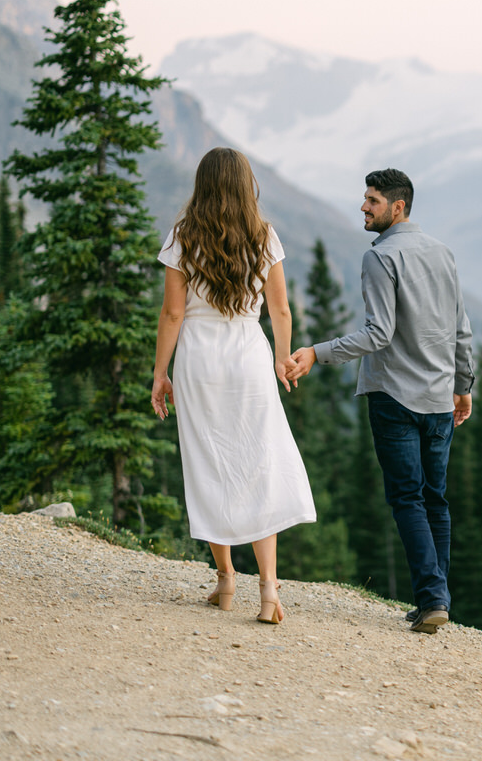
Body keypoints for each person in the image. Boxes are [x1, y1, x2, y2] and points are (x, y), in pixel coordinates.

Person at [288, 168, 474, 634]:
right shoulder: (443, 253)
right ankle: (437, 599)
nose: (364, 207)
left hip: (393, 397)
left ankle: (432, 598)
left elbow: (378, 334)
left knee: (408, 499)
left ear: (398, 207)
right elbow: (461, 329)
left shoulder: (381, 259)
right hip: (437, 400)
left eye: (372, 200)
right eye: (364, 199)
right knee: (436, 500)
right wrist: (464, 384)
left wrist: (317, 352)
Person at [151, 147, 317, 624]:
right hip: (248, 358)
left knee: (209, 464)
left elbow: (173, 313)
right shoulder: (264, 236)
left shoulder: (184, 236)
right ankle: (267, 594)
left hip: (199, 361)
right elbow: (281, 309)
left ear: (203, 184)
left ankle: (225, 580)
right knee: (258, 464)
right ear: (247, 185)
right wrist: (284, 360)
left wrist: (161, 373)